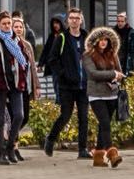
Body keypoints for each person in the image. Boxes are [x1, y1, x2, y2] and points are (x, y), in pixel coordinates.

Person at [0, 9, 34, 165]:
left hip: (17, 83)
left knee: (19, 115)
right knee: (0, 120)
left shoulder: (17, 41)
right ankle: (1, 153)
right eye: (4, 23)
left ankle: (10, 146)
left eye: (9, 23)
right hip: (0, 84)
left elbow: (24, 61)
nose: (7, 26)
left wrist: (24, 78)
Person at [40, 9, 90, 159]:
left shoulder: (86, 37)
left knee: (84, 117)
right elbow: (52, 59)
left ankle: (82, 149)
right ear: (67, 21)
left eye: (77, 18)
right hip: (67, 85)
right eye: (72, 18)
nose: (74, 21)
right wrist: (63, 74)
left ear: (81, 20)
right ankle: (51, 139)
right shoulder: (62, 38)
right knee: (65, 115)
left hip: (83, 85)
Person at [82, 23, 125, 167]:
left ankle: (98, 157)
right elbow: (93, 74)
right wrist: (112, 74)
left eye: (106, 40)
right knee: (105, 122)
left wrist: (117, 76)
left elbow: (120, 71)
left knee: (103, 124)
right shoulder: (87, 55)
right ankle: (112, 153)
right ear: (95, 41)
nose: (103, 42)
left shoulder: (112, 54)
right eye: (101, 40)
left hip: (112, 94)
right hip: (96, 95)